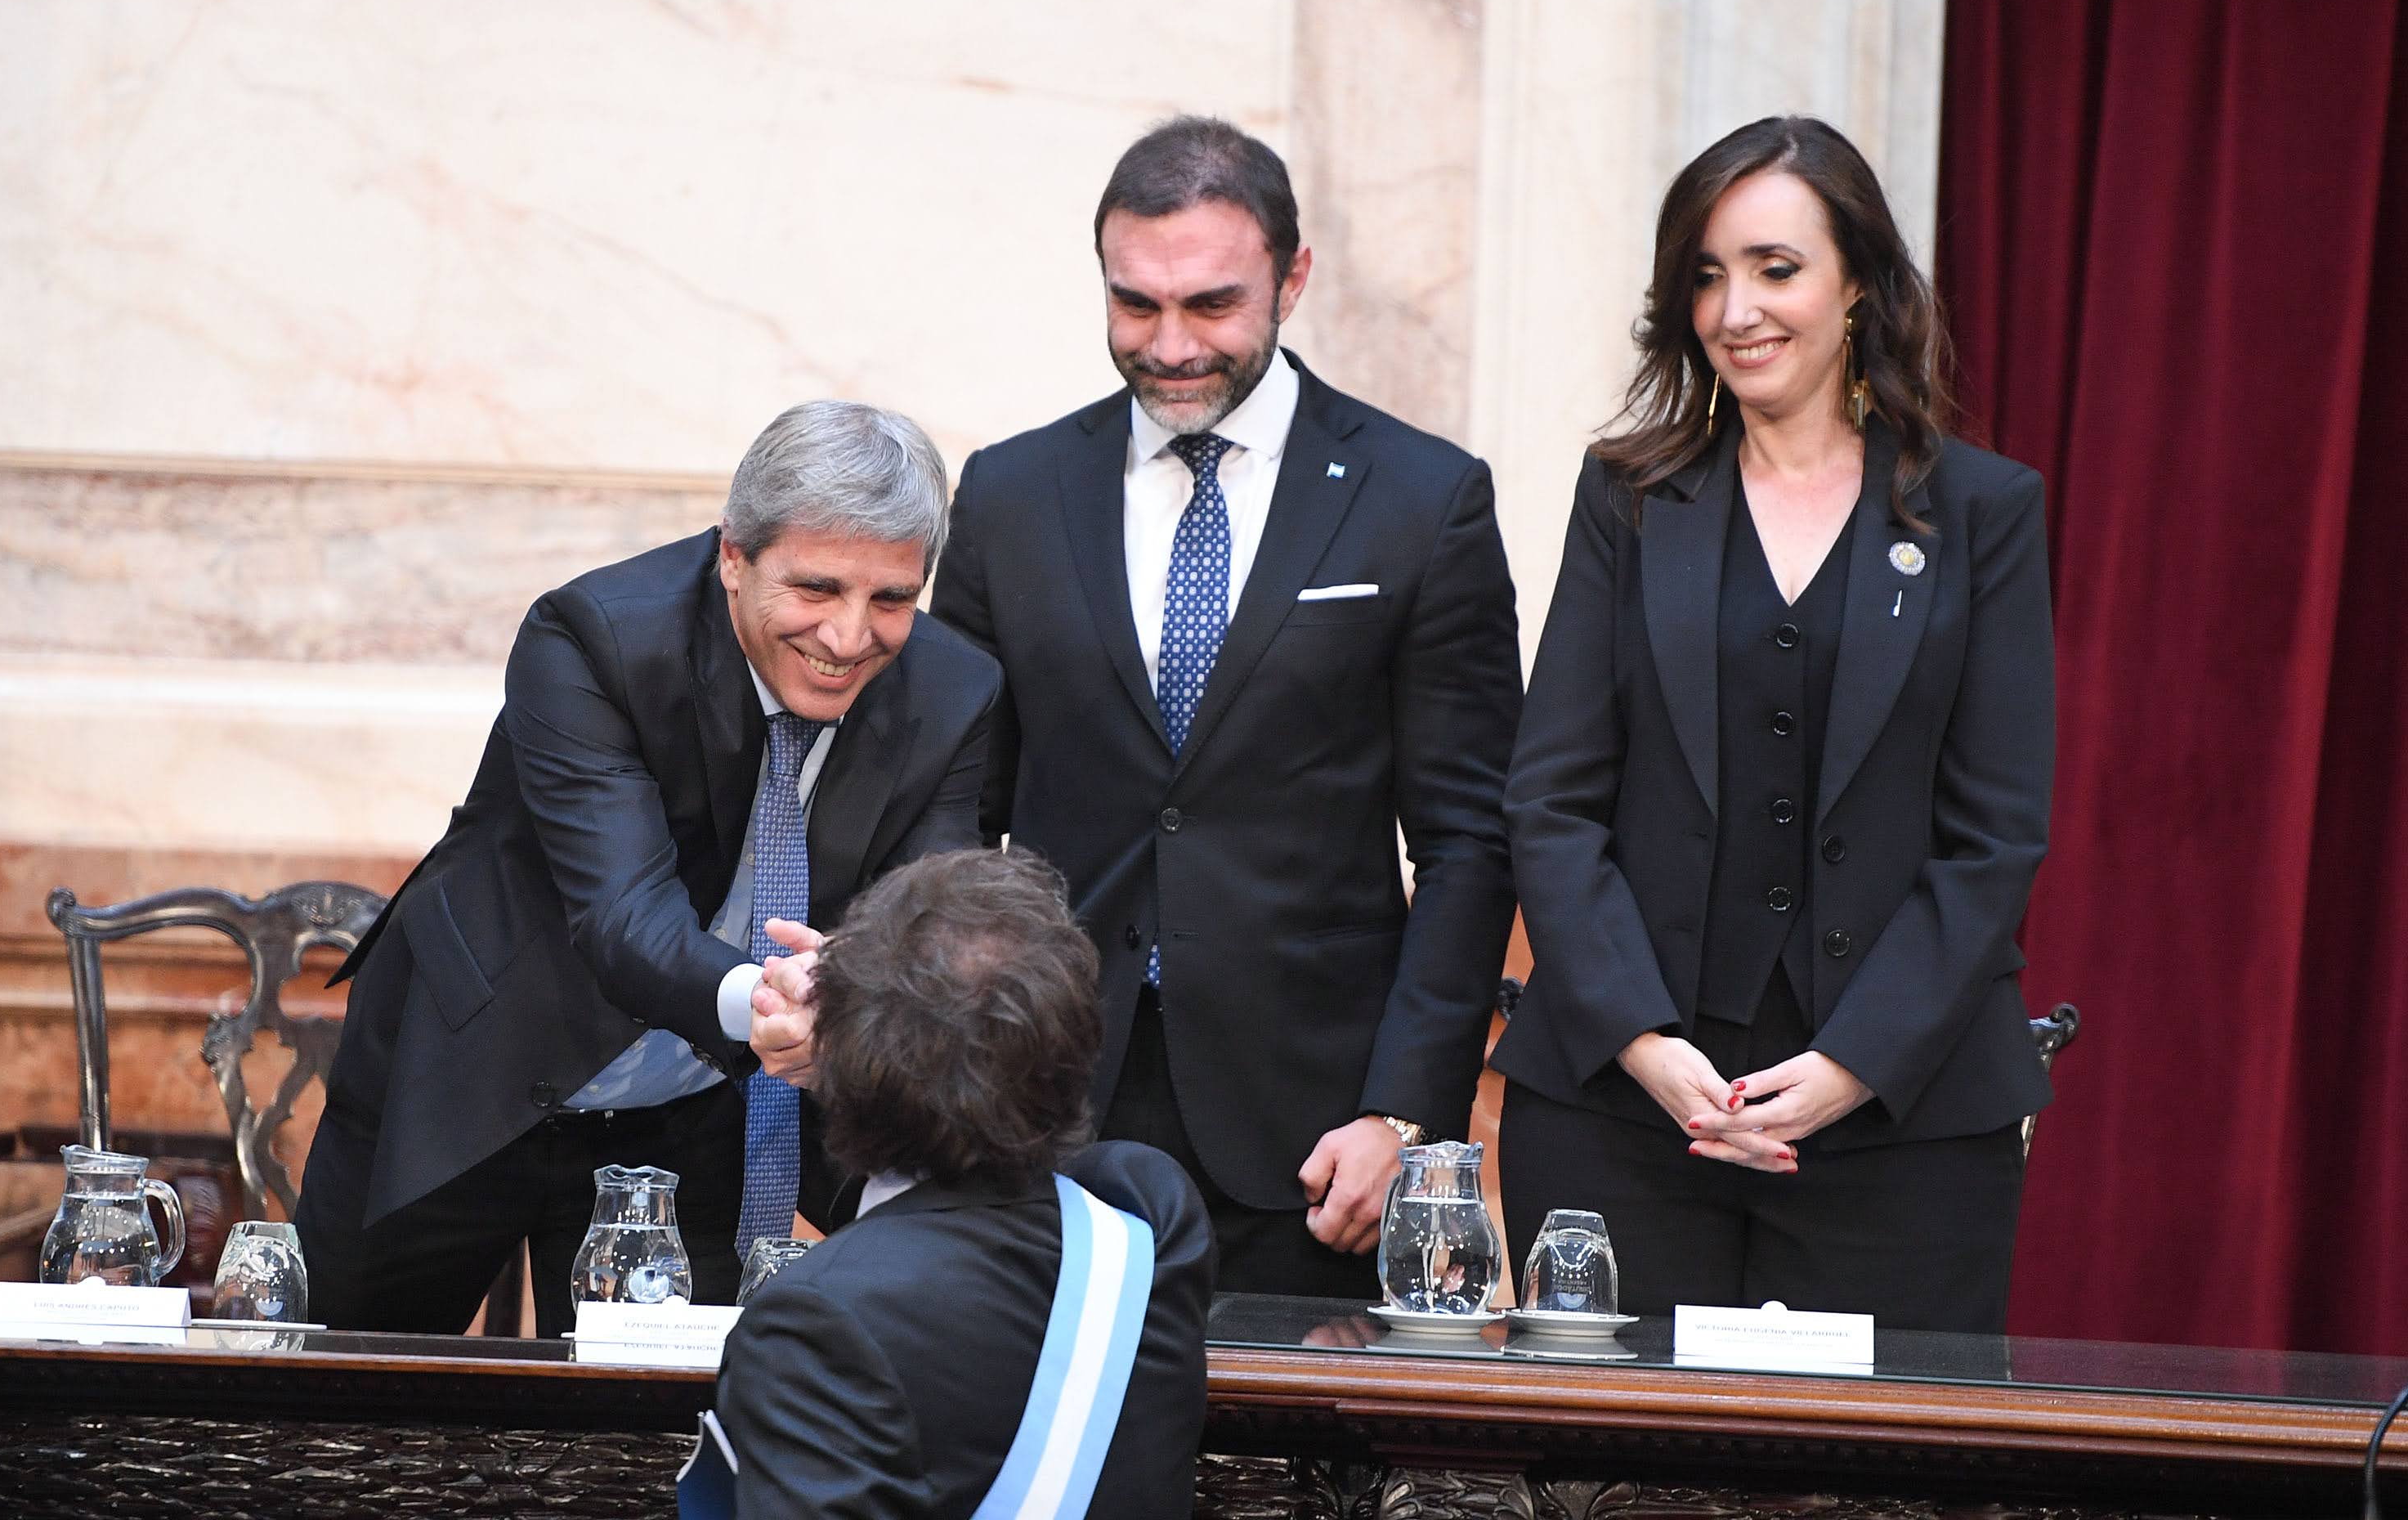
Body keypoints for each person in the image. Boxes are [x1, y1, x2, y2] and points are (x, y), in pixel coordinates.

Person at [929, 115, 1522, 1297]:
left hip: (1312, 1142)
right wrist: (950, 1066)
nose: (1170, 345)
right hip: (1044, 1106)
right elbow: (948, 814)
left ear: (1293, 279)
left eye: (1211, 304)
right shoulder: (1010, 492)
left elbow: (1468, 840)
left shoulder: (1423, 499)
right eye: (1135, 306)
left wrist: (1402, 1114)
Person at [1493, 115, 2056, 1332]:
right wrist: (1642, 1042)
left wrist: (1854, 1067)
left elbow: (1993, 839)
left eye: (1775, 269)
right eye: (1706, 274)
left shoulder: (1985, 514)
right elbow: (1552, 798)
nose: (1734, 308)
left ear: (1857, 282)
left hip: (1902, 1133)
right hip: (1621, 1121)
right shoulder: (1628, 497)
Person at [294, 401, 1000, 1339]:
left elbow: (925, 923)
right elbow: (624, 915)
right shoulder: (593, 637)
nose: (847, 636)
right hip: (476, 1066)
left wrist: (847, 996)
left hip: (691, 1112)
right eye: (817, 588)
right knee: (340, 1407)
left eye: (892, 600)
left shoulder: (956, 689)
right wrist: (777, 1001)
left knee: (647, 1439)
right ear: (734, 556)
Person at [713, 847, 1215, 1518]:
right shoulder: (1151, 1232)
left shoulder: (816, 1323)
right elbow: (1096, 1160)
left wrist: (859, 1022)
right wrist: (870, 1012)